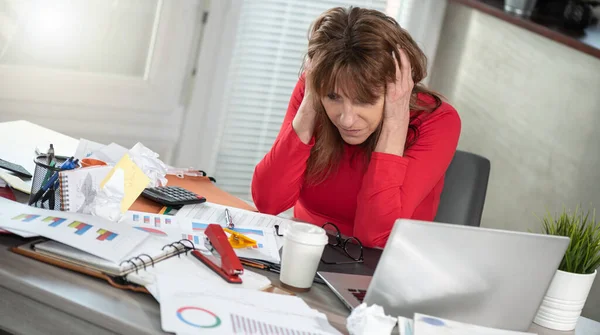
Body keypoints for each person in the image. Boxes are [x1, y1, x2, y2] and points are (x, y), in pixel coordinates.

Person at [251, 6, 461, 248]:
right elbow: (268, 202)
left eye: (365, 100)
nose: (347, 119)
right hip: (306, 248)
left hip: (383, 263)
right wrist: (311, 103)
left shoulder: (438, 121)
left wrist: (394, 123)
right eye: (334, 97)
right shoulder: (315, 92)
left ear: (398, 89)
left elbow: (375, 237)